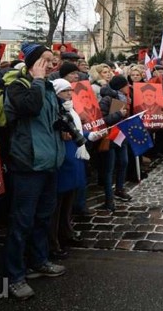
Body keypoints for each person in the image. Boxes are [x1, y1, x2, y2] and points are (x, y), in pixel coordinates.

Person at [3, 42, 66, 300]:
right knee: (22, 221)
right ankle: (15, 276)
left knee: (43, 216)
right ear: (33, 63)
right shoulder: (18, 86)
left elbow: (50, 116)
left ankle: (39, 260)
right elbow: (30, 108)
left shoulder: (49, 87)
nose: (51, 65)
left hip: (50, 161)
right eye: (46, 60)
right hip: (28, 164)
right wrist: (38, 81)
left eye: (53, 60)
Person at [49, 79, 104, 258]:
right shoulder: (55, 110)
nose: (68, 94)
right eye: (64, 91)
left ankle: (67, 231)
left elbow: (75, 131)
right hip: (63, 159)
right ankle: (53, 241)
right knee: (56, 205)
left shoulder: (70, 109)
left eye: (69, 91)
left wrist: (90, 135)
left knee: (68, 202)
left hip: (76, 157)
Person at [98, 75, 132, 210]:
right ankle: (109, 198)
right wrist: (119, 114)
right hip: (110, 138)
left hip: (121, 136)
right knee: (109, 168)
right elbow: (103, 119)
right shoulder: (106, 99)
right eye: (125, 85)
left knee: (123, 162)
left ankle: (119, 189)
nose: (128, 87)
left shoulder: (125, 98)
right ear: (120, 87)